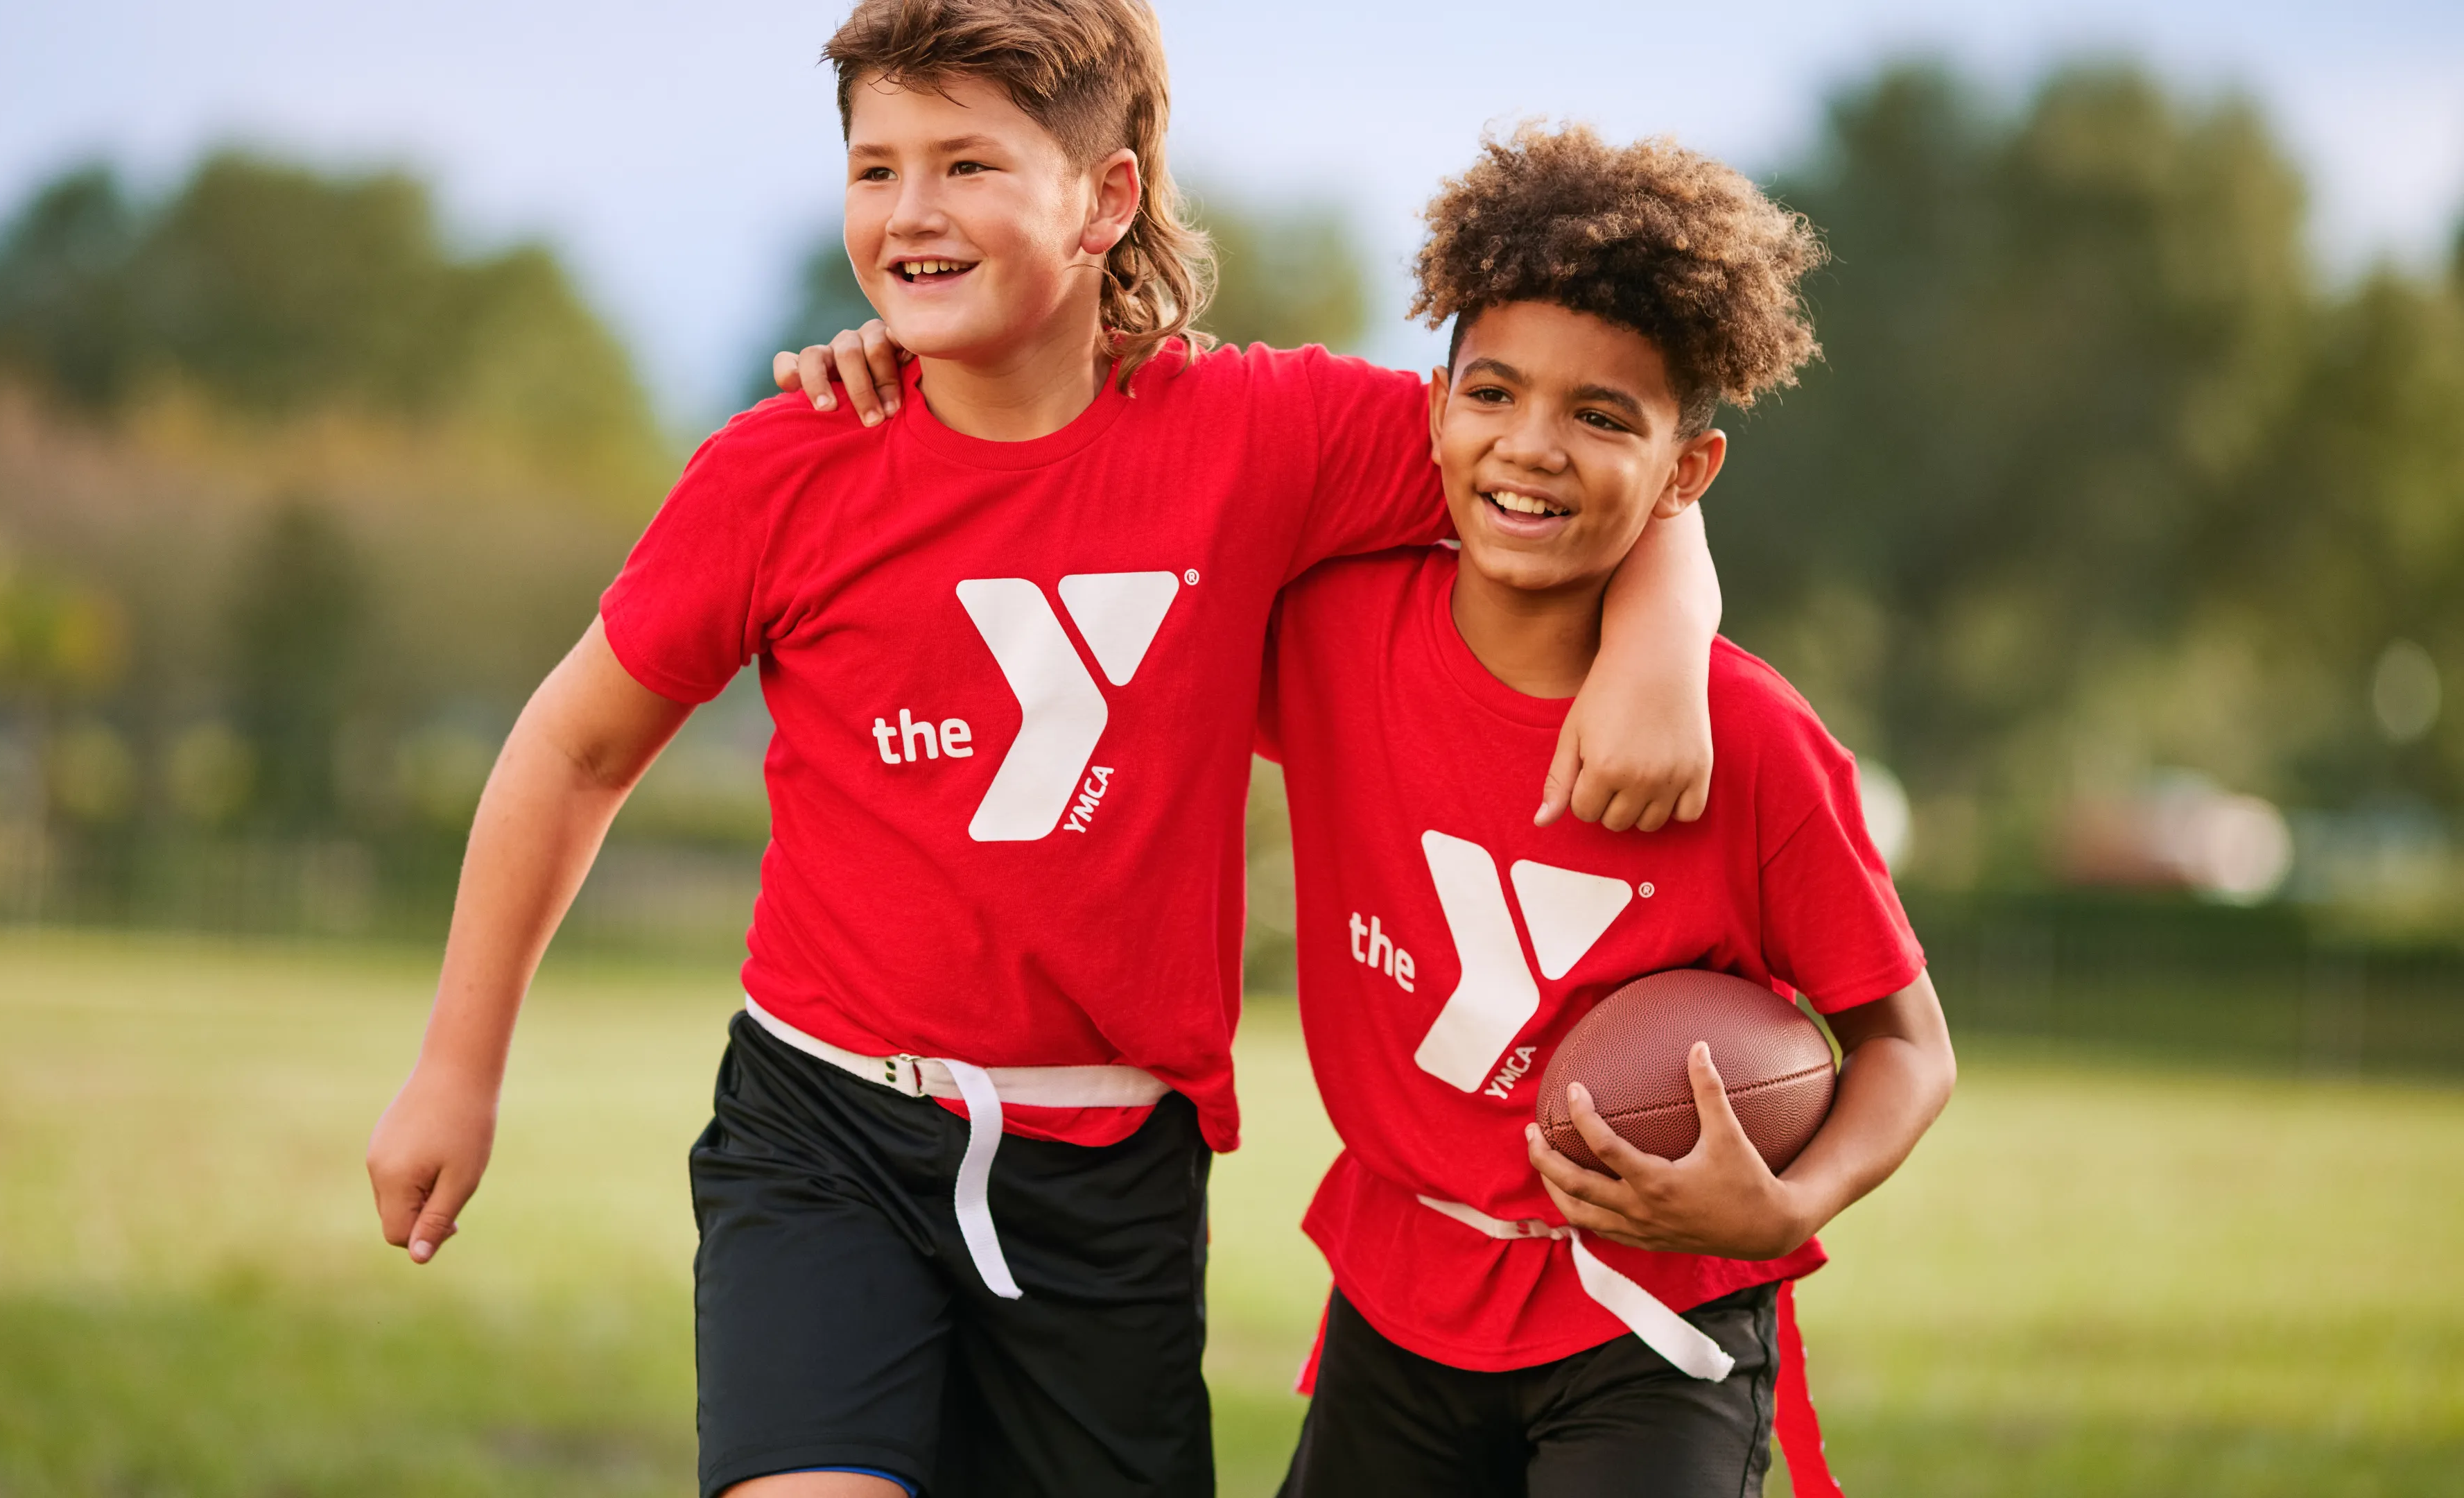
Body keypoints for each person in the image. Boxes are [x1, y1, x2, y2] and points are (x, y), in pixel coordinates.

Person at [365, 4, 1723, 1497]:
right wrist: (456, 1065)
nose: (912, 213)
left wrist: (1664, 635)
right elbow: (572, 751)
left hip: (1112, 1177)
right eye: (875, 170)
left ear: (1106, 197)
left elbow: (1557, 453)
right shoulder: (786, 467)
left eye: (967, 165)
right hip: (825, 1125)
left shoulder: (1258, 436)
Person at [1253, 125, 1957, 1498]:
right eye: (1494, 393)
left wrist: (1792, 1205)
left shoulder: (1750, 738)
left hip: (1655, 1325)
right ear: (1437, 404)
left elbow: (1910, 1048)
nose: (1531, 448)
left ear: (1686, 474)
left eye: (1602, 417)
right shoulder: (1330, 635)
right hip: (1399, 1301)